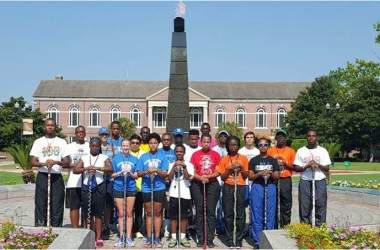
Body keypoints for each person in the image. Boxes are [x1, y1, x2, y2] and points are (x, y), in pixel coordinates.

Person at [73, 137, 112, 247]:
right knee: (86, 213)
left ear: (100, 147)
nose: (94, 148)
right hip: (87, 186)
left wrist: (98, 168)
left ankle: (98, 237)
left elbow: (110, 169)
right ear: (89, 146)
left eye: (97, 146)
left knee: (98, 214)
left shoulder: (104, 157)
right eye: (93, 146)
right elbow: (75, 170)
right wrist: (86, 169)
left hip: (99, 187)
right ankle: (87, 235)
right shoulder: (84, 158)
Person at [30, 118, 69, 227]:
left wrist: (56, 162)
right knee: (41, 203)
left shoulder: (61, 142)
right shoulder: (38, 142)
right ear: (44, 127)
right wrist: (44, 163)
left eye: (52, 125)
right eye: (48, 125)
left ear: (55, 127)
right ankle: (40, 229)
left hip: (56, 177)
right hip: (43, 175)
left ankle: (56, 229)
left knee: (57, 204)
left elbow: (67, 161)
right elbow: (33, 161)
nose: (50, 127)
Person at [293, 129, 331, 226]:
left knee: (320, 204)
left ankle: (320, 227)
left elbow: (327, 168)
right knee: (304, 205)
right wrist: (307, 165)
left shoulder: (322, 150)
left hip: (319, 180)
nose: (311, 138)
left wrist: (317, 164)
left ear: (317, 137)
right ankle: (305, 227)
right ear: (306, 137)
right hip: (305, 180)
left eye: (313, 136)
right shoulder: (301, 151)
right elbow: (296, 168)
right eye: (309, 136)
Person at [217, 136, 249, 248]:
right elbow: (222, 177)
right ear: (227, 146)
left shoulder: (244, 158)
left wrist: (241, 167)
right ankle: (230, 239)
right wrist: (229, 169)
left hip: (240, 186)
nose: (233, 147)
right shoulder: (224, 159)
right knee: (228, 213)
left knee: (240, 213)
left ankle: (239, 239)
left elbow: (245, 176)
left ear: (238, 146)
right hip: (228, 186)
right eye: (231, 144)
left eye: (235, 144)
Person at [138, 133, 169, 248]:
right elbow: (138, 173)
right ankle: (149, 237)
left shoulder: (162, 156)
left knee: (157, 213)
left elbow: (165, 173)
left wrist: (156, 170)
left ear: (158, 144)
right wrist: (147, 171)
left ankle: (157, 237)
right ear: (148, 144)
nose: (153, 145)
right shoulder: (143, 157)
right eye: (151, 143)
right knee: (149, 213)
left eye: (155, 143)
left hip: (159, 187)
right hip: (146, 188)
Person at [248, 136, 280, 248]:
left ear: (268, 146)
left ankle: (269, 239)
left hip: (270, 185)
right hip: (257, 186)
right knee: (257, 214)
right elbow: (250, 176)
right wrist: (259, 174)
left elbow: (277, 176)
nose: (263, 147)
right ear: (258, 146)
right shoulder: (254, 160)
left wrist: (270, 173)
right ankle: (257, 241)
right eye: (260, 145)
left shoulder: (272, 160)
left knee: (270, 213)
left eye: (265, 145)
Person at [190, 134, 221, 248]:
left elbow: (218, 171)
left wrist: (208, 177)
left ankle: (210, 239)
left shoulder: (216, 155)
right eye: (204, 141)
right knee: (199, 211)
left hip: (212, 184)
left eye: (208, 142)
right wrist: (200, 178)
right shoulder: (195, 154)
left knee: (210, 212)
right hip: (198, 184)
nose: (206, 144)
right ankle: (200, 238)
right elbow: (192, 171)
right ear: (200, 142)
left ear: (211, 142)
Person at [111, 139, 140, 247]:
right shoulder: (116, 158)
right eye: (124, 145)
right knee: (121, 213)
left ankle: (128, 237)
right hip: (118, 187)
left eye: (127, 145)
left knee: (129, 213)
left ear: (130, 147)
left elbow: (137, 175)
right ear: (121, 147)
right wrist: (120, 173)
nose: (126, 147)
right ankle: (121, 236)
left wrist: (130, 173)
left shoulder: (135, 159)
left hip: (131, 187)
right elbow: (112, 175)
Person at [167, 145, 194, 248]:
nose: (179, 153)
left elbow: (187, 178)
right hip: (174, 193)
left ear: (184, 152)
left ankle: (182, 237)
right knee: (173, 217)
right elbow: (169, 178)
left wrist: (184, 167)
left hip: (185, 193)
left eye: (181, 151)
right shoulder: (171, 164)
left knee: (183, 217)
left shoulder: (189, 164)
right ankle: (173, 237)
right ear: (175, 153)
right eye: (177, 151)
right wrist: (174, 166)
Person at [267, 129, 296, 228]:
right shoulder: (270, 150)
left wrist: (285, 164)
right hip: (273, 179)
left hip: (285, 179)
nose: (280, 139)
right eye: (278, 137)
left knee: (286, 203)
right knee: (273, 202)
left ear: (286, 138)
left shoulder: (291, 151)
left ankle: (286, 226)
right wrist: (275, 164)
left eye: (282, 137)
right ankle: (274, 225)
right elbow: (266, 165)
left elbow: (295, 167)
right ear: (275, 139)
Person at [64, 125, 90, 228]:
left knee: (85, 207)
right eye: (78, 132)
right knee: (74, 207)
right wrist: (75, 165)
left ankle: (84, 228)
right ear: (75, 134)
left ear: (85, 134)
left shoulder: (89, 146)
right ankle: (75, 228)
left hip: (87, 182)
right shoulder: (69, 146)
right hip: (73, 182)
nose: (80, 133)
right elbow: (65, 164)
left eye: (82, 132)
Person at [98, 127, 114, 239]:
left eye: (106, 134)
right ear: (99, 135)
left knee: (108, 204)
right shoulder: (95, 146)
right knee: (98, 203)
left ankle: (106, 225)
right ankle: (98, 225)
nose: (104, 136)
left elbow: (114, 162)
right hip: (98, 178)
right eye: (102, 134)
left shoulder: (112, 147)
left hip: (109, 179)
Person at [129, 134, 145, 239]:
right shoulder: (126, 153)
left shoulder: (144, 154)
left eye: (137, 143)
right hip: (129, 186)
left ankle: (138, 230)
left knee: (139, 210)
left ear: (140, 144)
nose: (135, 145)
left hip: (141, 186)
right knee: (129, 210)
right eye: (133, 143)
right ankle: (129, 230)